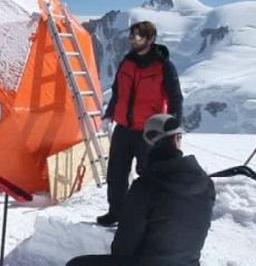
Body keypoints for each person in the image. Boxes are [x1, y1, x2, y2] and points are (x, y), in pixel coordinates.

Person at [67, 114, 215, 266]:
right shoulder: (206, 184)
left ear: (148, 143)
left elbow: (123, 247)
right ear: (177, 139)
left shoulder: (145, 187)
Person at [97, 21, 183, 227]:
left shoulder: (164, 67)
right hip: (123, 129)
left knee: (150, 175)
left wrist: (174, 130)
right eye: (131, 36)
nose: (133, 40)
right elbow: (118, 91)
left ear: (150, 39)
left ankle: (150, 217)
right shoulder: (126, 63)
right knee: (116, 174)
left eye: (139, 36)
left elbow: (175, 98)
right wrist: (109, 114)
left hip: (151, 132)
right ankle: (116, 212)